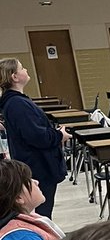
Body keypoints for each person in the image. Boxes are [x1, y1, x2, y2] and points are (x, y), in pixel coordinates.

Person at [0, 59, 69, 218]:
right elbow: (37, 137)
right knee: (41, 213)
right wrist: (59, 135)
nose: (26, 70)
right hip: (37, 165)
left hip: (35, 163)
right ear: (14, 77)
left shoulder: (16, 101)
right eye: (22, 68)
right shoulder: (17, 103)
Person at [0, 158, 63, 240]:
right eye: (29, 180)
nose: (36, 182)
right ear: (18, 198)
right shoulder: (22, 239)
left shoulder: (19, 226)